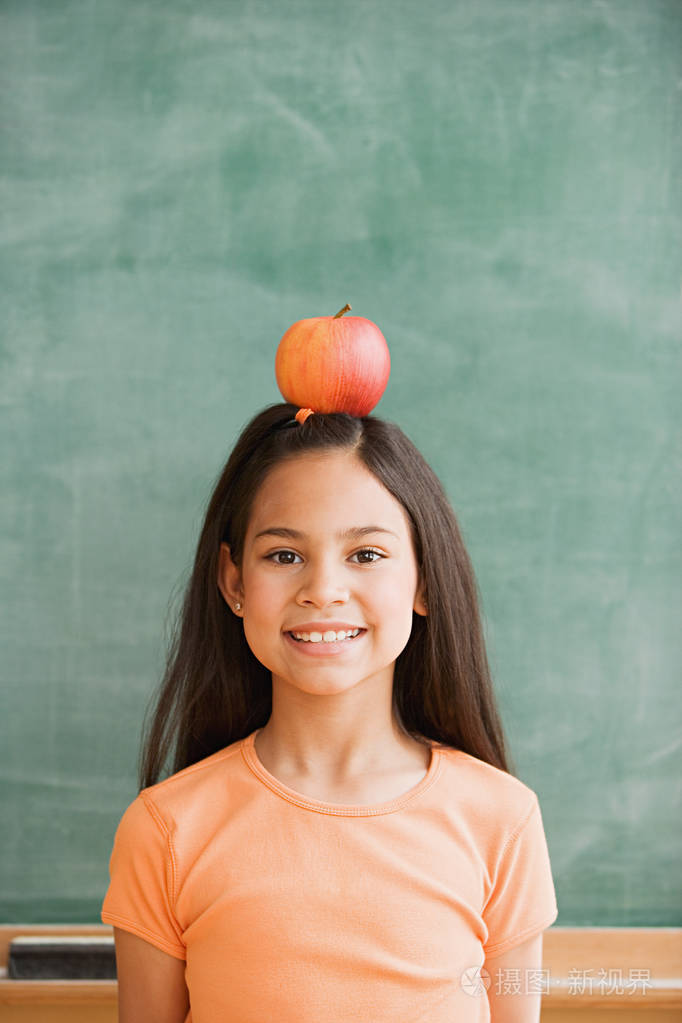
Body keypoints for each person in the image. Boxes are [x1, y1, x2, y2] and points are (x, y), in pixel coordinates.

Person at [101, 403, 558, 1023]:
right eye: (284, 556)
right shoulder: (166, 831)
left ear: (423, 581)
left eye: (366, 555)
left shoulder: (500, 820)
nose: (323, 589)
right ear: (233, 583)